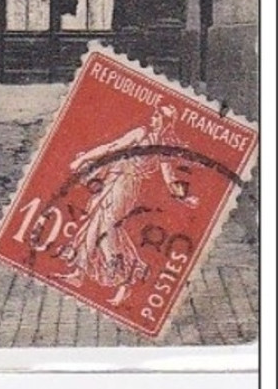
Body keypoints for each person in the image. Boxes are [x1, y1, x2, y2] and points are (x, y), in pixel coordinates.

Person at [59, 103, 197, 306]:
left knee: (106, 229)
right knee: (94, 224)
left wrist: (184, 198)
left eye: (158, 116)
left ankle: (123, 283)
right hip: (113, 180)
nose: (153, 118)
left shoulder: (160, 146)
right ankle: (79, 274)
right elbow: (111, 147)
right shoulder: (141, 134)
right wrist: (84, 159)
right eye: (155, 114)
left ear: (166, 123)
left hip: (125, 188)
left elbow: (169, 179)